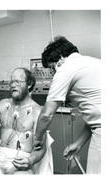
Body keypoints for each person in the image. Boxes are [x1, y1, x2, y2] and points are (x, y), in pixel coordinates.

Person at [33, 36, 101, 174]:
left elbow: (46, 115)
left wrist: (38, 138)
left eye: (52, 68)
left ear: (60, 59)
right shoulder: (95, 63)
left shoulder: (65, 68)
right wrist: (78, 144)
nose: (53, 74)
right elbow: (97, 117)